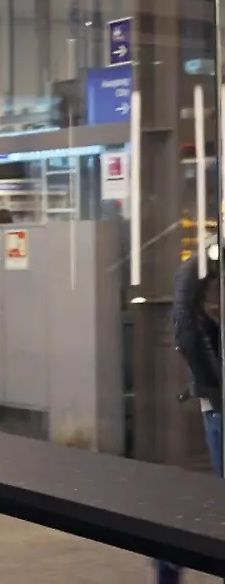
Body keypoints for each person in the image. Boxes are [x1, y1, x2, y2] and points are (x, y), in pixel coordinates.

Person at [159, 239, 223, 584]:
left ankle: (168, 558)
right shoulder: (210, 260)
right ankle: (168, 558)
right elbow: (185, 322)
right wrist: (214, 385)